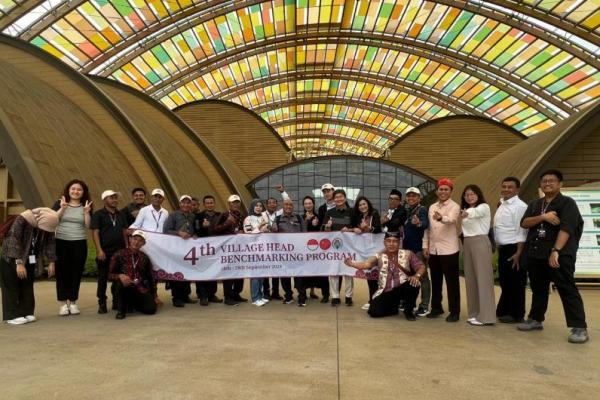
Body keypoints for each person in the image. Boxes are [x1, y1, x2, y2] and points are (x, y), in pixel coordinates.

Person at [518, 169, 589, 343]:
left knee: (567, 289)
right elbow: (524, 223)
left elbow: (567, 228)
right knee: (538, 289)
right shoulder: (535, 204)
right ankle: (535, 319)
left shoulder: (567, 203)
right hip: (536, 253)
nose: (547, 183)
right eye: (544, 181)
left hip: (559, 254)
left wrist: (556, 250)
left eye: (552, 180)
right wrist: (543, 217)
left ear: (560, 184)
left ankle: (579, 327)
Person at [344, 232, 425, 320]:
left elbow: (421, 266)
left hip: (403, 287)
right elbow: (366, 264)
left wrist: (417, 276)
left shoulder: (408, 254)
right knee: (373, 312)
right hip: (386, 290)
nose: (391, 244)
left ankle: (408, 311)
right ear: (384, 242)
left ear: (399, 242)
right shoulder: (379, 255)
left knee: (413, 284)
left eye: (394, 241)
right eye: (388, 241)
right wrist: (352, 264)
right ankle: (393, 308)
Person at [1, 208, 59, 325]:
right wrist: (19, 263)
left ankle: (27, 311)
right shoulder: (22, 220)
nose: (46, 231)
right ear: (39, 221)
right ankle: (11, 315)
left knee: (27, 284)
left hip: (30, 258)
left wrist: (52, 261)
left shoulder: (47, 223)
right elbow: (13, 240)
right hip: (11, 258)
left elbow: (50, 242)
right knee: (11, 285)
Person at [423, 178, 461, 322]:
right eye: (440, 189)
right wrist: (425, 246)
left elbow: (451, 220)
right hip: (434, 249)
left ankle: (454, 311)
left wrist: (441, 218)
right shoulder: (432, 207)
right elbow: (428, 229)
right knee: (436, 280)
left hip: (449, 250)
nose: (443, 191)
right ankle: (436, 307)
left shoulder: (455, 206)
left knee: (452, 282)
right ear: (436, 191)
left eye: (446, 189)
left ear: (451, 191)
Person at [53, 179, 92, 316]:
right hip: (61, 241)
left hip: (79, 242)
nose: (76, 191)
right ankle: (63, 303)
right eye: (73, 189)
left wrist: (86, 212)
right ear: (68, 190)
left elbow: (88, 226)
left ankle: (73, 302)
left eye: (79, 189)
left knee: (76, 272)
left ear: (83, 192)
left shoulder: (86, 205)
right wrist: (62, 208)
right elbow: (53, 220)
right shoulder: (59, 203)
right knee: (62, 272)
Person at [460, 185, 496, 326]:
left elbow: (475, 212)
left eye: (472, 194)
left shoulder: (483, 207)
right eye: (466, 195)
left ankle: (486, 316)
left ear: (478, 195)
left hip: (480, 242)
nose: (469, 197)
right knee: (471, 279)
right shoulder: (467, 210)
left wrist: (466, 213)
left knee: (483, 279)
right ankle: (474, 313)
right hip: (468, 243)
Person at [494, 177, 528, 323]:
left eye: (510, 187)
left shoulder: (520, 206)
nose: (506, 189)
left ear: (517, 190)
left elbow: (522, 231)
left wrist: (519, 253)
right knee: (505, 281)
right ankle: (504, 309)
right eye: (504, 186)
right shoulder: (502, 203)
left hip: (514, 248)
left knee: (516, 281)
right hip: (503, 248)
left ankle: (517, 314)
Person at [91, 190, 128, 314]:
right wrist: (99, 250)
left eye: (116, 198)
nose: (115, 200)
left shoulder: (120, 214)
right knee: (102, 278)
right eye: (111, 198)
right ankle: (102, 302)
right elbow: (95, 233)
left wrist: (127, 247)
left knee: (118, 277)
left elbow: (124, 231)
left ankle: (116, 301)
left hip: (119, 251)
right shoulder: (98, 214)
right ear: (104, 200)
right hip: (105, 251)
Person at [108, 230, 157, 320]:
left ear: (143, 243)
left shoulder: (145, 257)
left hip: (138, 288)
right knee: (120, 282)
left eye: (140, 241)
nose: (137, 242)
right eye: (135, 239)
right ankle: (121, 310)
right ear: (130, 239)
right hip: (123, 287)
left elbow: (151, 278)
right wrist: (119, 276)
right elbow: (109, 274)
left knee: (151, 309)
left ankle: (130, 303)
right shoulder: (119, 254)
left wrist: (154, 296)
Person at [163, 195, 195, 308]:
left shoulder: (192, 216)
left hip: (187, 249)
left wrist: (194, 235)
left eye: (188, 203)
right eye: (183, 203)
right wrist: (179, 233)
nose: (186, 205)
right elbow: (166, 230)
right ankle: (176, 298)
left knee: (186, 272)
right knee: (176, 273)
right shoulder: (173, 215)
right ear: (180, 204)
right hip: (175, 248)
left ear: (191, 204)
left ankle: (185, 296)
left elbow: (193, 230)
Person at [402, 187, 430, 317]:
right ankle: (410, 302)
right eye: (409, 196)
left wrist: (418, 223)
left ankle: (424, 305)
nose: (411, 198)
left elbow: (425, 223)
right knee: (409, 276)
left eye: (414, 196)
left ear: (419, 198)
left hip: (418, 250)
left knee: (422, 277)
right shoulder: (408, 210)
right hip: (408, 249)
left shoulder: (422, 209)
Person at [350, 196, 381, 310]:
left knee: (377, 276)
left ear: (368, 204)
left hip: (375, 248)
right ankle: (372, 299)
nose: (362, 206)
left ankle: (375, 300)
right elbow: (353, 227)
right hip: (364, 249)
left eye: (364, 204)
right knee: (370, 276)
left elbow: (378, 229)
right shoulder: (358, 217)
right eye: (360, 205)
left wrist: (367, 228)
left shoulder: (374, 214)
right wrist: (354, 229)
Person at [324, 189, 354, 306]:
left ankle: (348, 296)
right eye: (336, 197)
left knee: (348, 272)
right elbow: (323, 230)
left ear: (345, 198)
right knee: (334, 272)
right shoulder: (329, 212)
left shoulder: (352, 212)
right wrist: (327, 226)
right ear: (333, 199)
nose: (339, 199)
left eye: (341, 197)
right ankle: (335, 297)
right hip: (333, 248)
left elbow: (357, 228)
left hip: (349, 247)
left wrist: (350, 229)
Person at [273, 199, 307, 306]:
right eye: (286, 204)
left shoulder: (298, 218)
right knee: (285, 276)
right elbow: (273, 236)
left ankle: (302, 297)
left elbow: (304, 233)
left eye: (290, 205)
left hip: (297, 253)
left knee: (299, 277)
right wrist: (273, 230)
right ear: (283, 206)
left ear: (293, 207)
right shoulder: (278, 219)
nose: (288, 206)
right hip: (283, 254)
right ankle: (288, 296)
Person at [214, 194, 247, 306]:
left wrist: (243, 232)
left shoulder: (242, 216)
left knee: (239, 272)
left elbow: (246, 229)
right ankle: (228, 297)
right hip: (227, 250)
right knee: (228, 274)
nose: (236, 204)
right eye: (233, 202)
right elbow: (215, 229)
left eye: (238, 202)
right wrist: (227, 223)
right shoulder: (224, 215)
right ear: (229, 204)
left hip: (239, 249)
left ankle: (236, 294)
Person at [262, 185, 290, 300]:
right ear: (267, 205)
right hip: (264, 245)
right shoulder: (262, 215)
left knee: (276, 269)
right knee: (265, 270)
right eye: (270, 203)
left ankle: (275, 292)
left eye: (274, 202)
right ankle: (266, 293)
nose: (272, 204)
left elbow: (287, 202)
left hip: (277, 246)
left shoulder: (279, 213)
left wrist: (283, 191)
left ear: (277, 205)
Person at [193, 195, 222, 305]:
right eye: (207, 203)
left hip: (216, 248)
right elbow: (195, 231)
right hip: (202, 248)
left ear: (214, 203)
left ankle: (211, 294)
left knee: (213, 272)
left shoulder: (220, 215)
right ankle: (202, 296)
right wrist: (203, 227)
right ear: (204, 205)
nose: (210, 204)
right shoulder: (198, 216)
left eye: (211, 202)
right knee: (202, 272)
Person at [302, 195, 329, 303]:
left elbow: (322, 230)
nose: (308, 205)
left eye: (310, 203)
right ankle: (306, 293)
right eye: (306, 203)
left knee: (321, 272)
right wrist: (306, 221)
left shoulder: (318, 216)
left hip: (318, 249)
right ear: (303, 205)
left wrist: (317, 225)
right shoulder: (301, 217)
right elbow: (299, 232)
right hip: (305, 249)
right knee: (306, 272)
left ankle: (325, 294)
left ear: (313, 204)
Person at [243, 199, 269, 307]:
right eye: (256, 206)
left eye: (260, 206)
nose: (258, 207)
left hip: (263, 250)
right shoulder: (248, 219)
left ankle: (260, 295)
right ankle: (255, 298)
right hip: (253, 251)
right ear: (252, 207)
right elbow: (248, 233)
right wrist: (259, 228)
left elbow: (267, 231)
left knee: (261, 275)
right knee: (255, 275)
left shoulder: (263, 218)